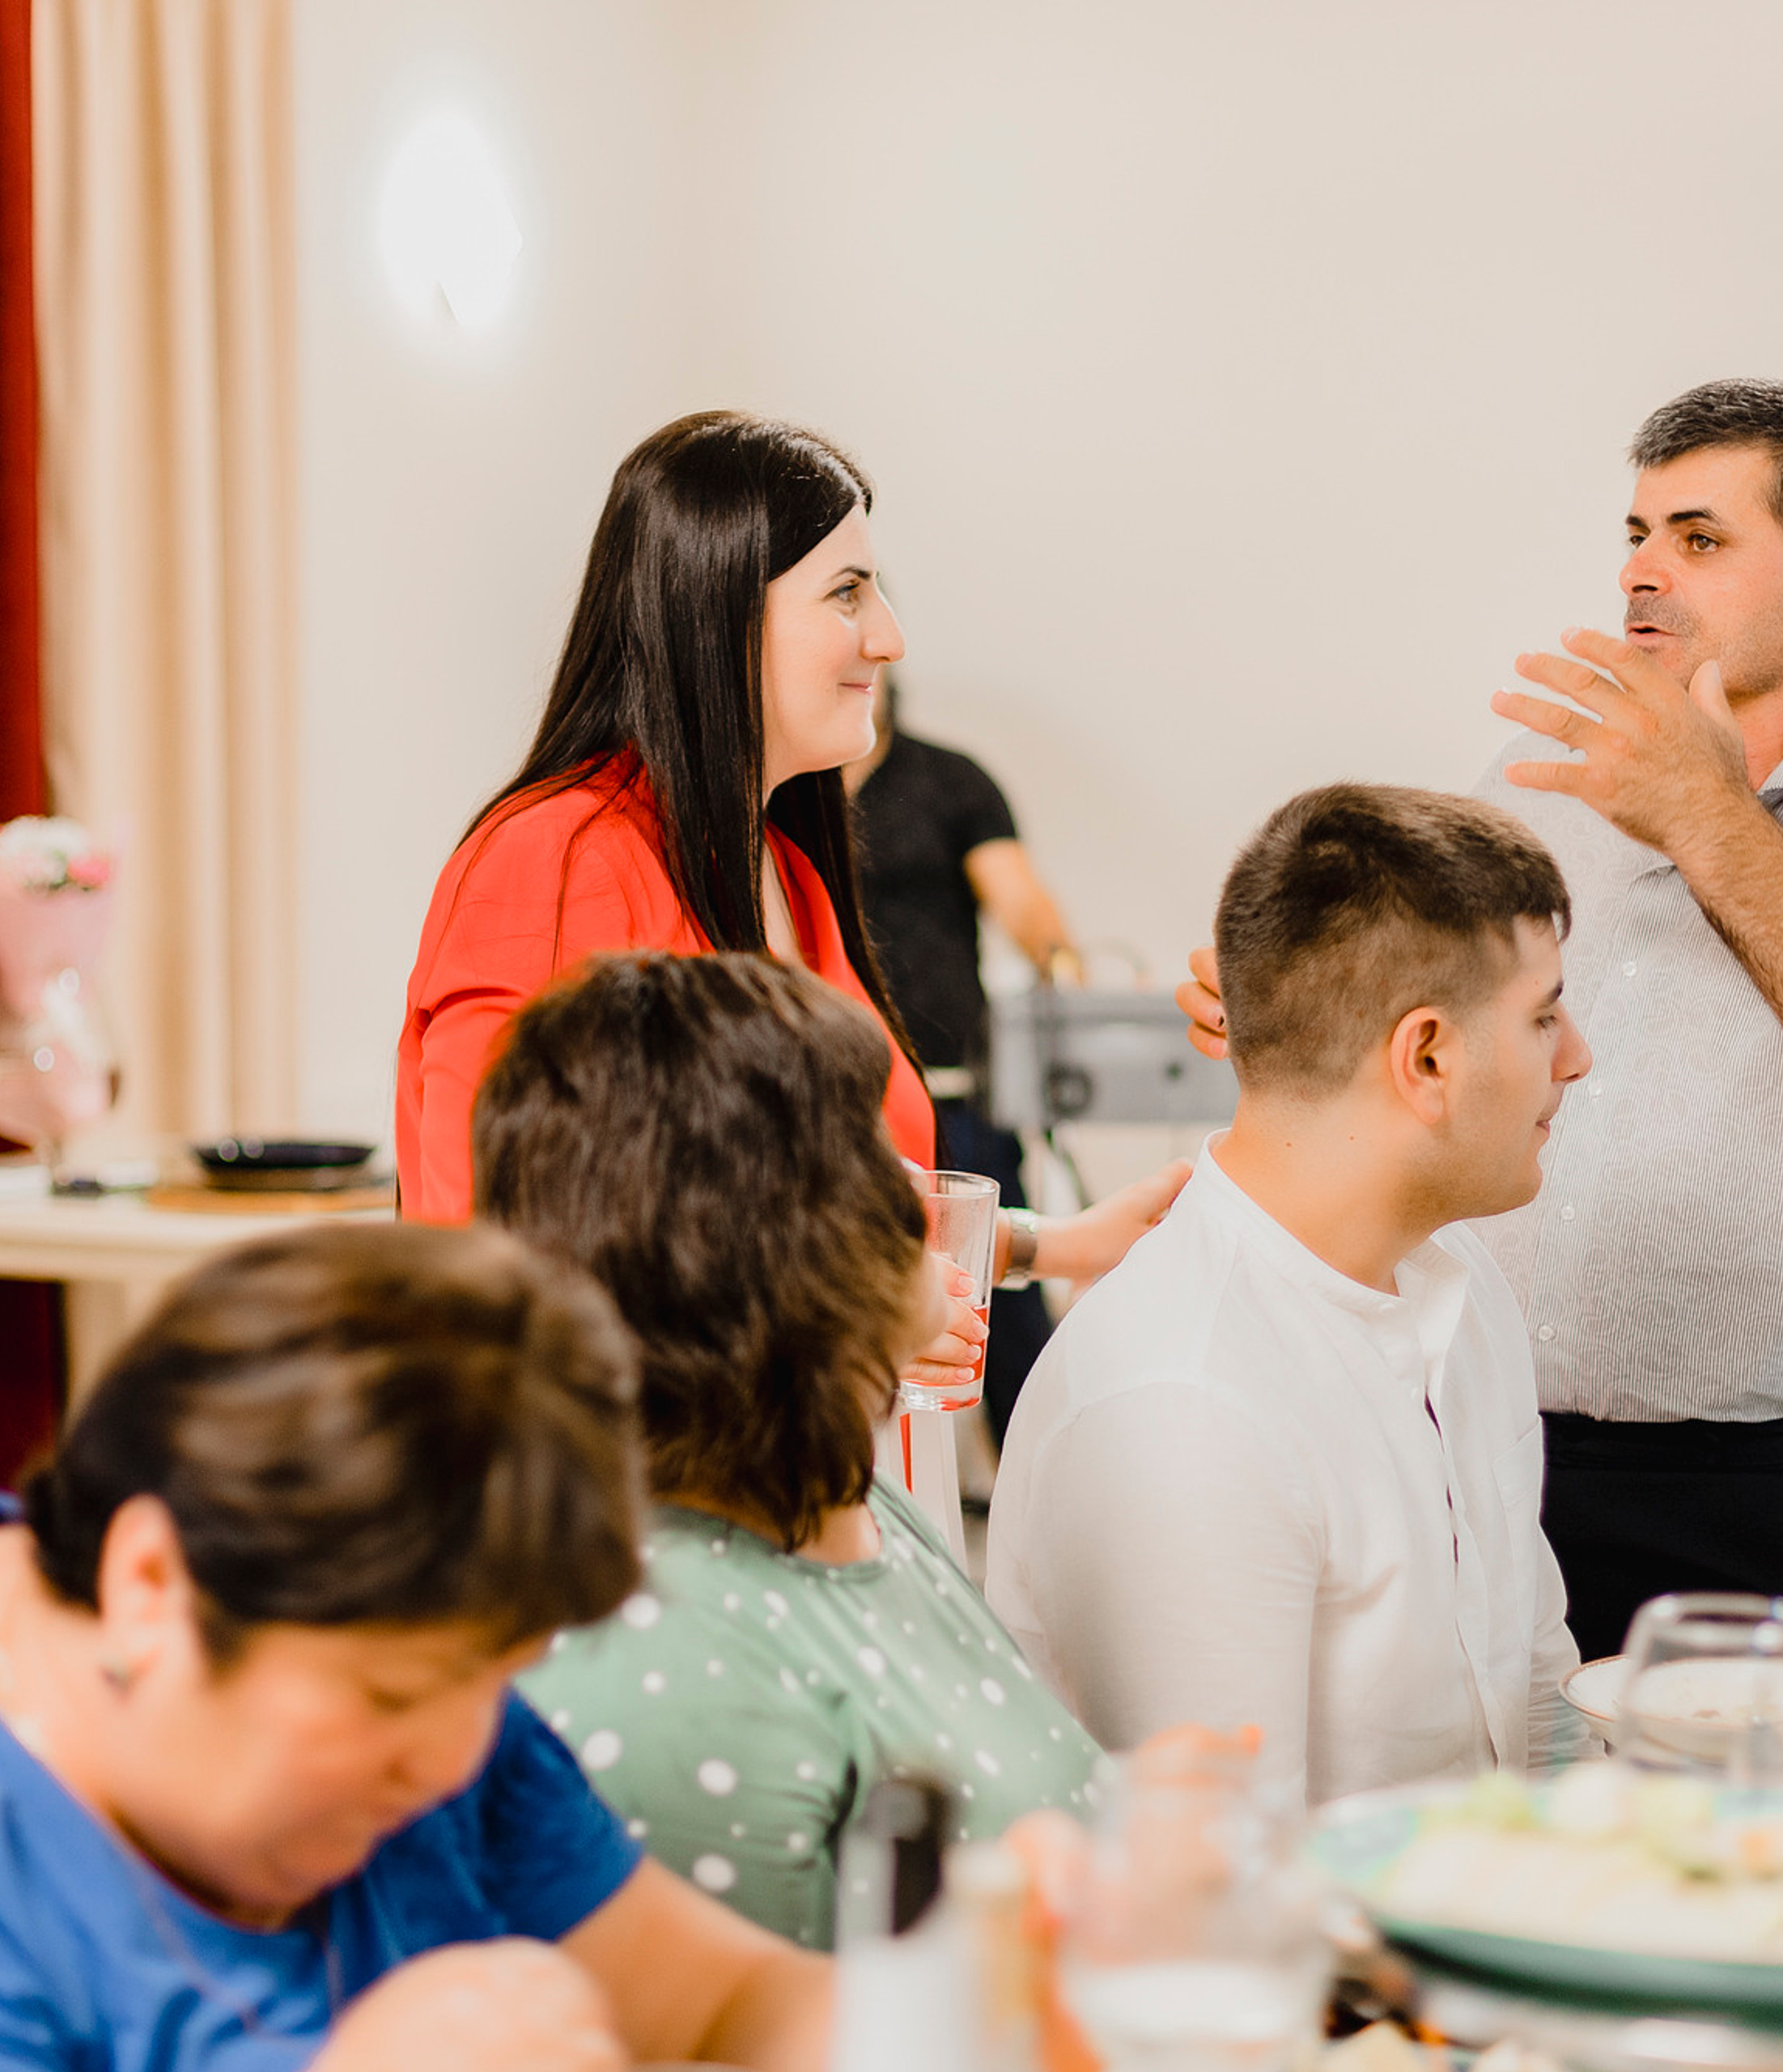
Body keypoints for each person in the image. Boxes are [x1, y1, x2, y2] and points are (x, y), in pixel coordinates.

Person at [1178, 381, 1783, 1659]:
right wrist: (1290, 994)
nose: (1643, 571)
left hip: (1744, 1501)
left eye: (1699, 539)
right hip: (1458, 1443)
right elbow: (1418, 1031)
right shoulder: (1543, 780)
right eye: (1637, 535)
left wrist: (1706, 815)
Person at [397, 412, 1186, 1402]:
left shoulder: (789, 871)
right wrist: (833, 1322)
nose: (889, 638)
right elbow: (493, 1244)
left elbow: (822, 1195)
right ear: (718, 614)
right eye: (847, 592)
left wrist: (1057, 1243)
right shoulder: (554, 856)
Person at [0, 1220, 833, 2070]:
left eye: (498, 1681)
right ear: (149, 1585)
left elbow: (724, 2002)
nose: (451, 1764)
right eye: (387, 1696)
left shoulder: (443, 1706)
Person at [475, 951, 1106, 1951]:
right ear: (788, 1238)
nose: (916, 1190)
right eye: (873, 1150)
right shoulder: (672, 1682)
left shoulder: (848, 1500)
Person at [987, 784, 1590, 1806]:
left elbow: (1537, 1690)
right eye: (1543, 1017)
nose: (1576, 1056)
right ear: (1427, 1057)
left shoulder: (1462, 1284)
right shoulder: (1185, 1404)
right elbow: (1224, 1871)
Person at [846, 674, 1078, 1442]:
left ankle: (1042, 1463)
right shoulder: (783, 791)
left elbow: (1020, 903)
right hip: (839, 1105)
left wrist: (1069, 973)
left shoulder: (951, 780)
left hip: (955, 1096)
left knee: (1001, 1303)